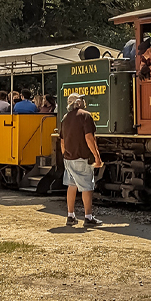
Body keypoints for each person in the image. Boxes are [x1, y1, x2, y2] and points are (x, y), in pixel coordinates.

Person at [60, 93, 103, 228]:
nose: (84, 101)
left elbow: (62, 141)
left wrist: (65, 154)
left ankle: (70, 216)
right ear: (78, 102)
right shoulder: (85, 115)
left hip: (68, 157)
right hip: (82, 157)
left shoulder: (65, 118)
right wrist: (97, 156)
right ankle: (88, 217)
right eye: (82, 99)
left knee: (71, 186)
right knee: (87, 187)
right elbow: (89, 138)